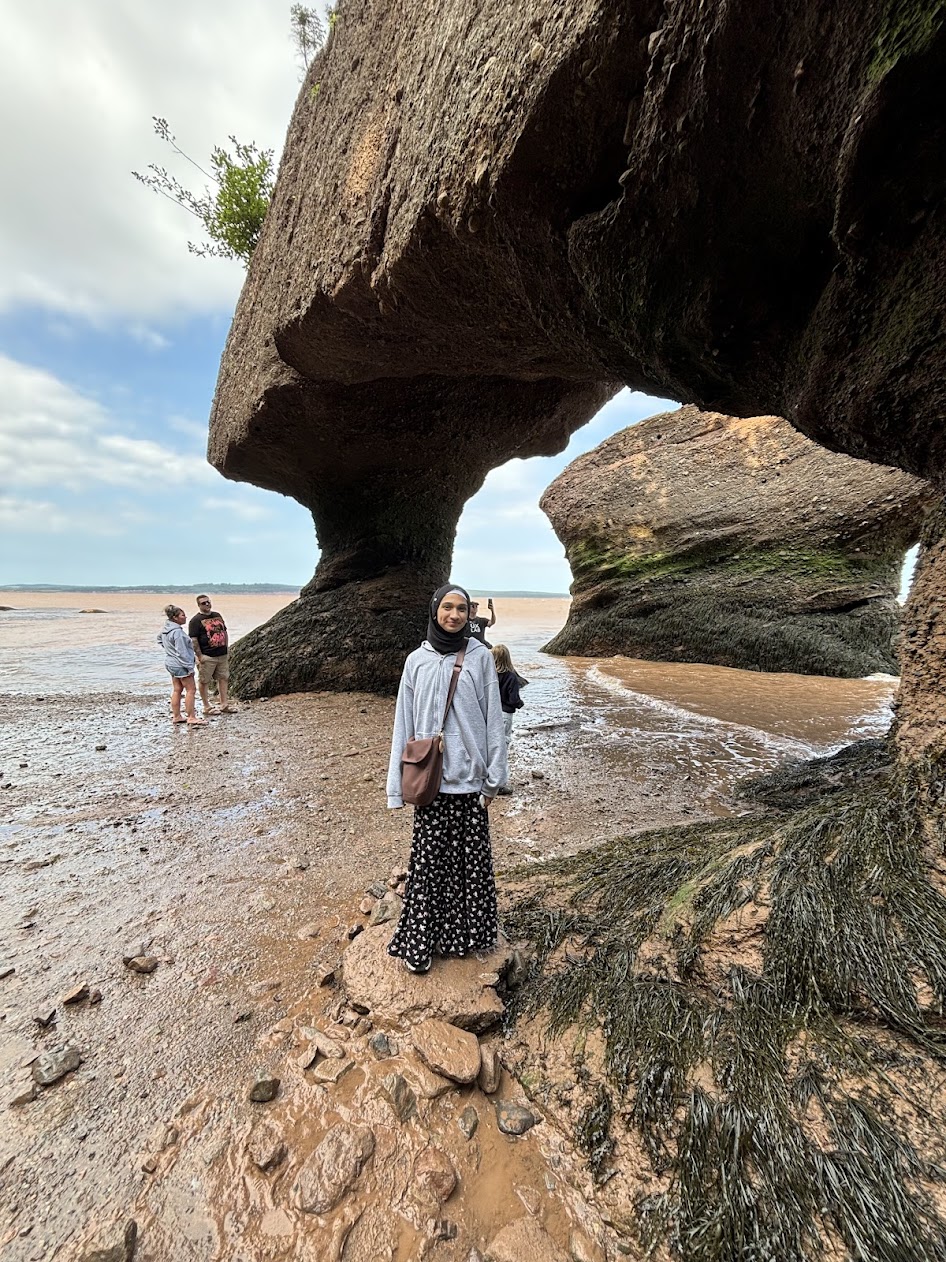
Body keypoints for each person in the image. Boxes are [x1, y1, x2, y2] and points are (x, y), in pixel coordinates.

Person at [386, 583, 507, 974]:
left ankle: (469, 940)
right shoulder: (415, 661)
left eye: (462, 609)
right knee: (429, 865)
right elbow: (402, 724)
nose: (454, 615)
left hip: (470, 780)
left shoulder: (480, 657)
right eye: (447, 607)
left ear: (469, 614)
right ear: (435, 609)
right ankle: (422, 945)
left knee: (470, 865)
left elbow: (494, 721)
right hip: (430, 781)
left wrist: (494, 777)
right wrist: (395, 787)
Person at [158, 605, 205, 727]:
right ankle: (191, 717)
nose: (185, 617)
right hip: (180, 665)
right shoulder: (177, 633)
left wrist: (169, 650)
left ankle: (177, 716)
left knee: (177, 689)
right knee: (191, 690)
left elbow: (159, 639)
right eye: (182, 615)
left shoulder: (165, 629)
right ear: (175, 618)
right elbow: (182, 652)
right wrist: (190, 668)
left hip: (170, 662)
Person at [188, 594, 233, 715]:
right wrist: (199, 656)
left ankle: (224, 704)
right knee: (204, 681)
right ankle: (206, 706)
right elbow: (194, 640)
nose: (207, 604)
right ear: (199, 605)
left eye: (208, 602)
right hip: (207, 656)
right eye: (203, 603)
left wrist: (226, 647)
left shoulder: (217, 615)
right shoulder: (195, 621)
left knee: (223, 678)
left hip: (222, 654)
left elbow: (224, 631)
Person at [491, 644, 523, 795]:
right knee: (502, 749)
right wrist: (519, 704)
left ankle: (487, 778)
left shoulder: (490, 675)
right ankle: (500, 784)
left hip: (490, 715)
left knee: (491, 747)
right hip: (505, 715)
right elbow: (513, 698)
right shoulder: (511, 676)